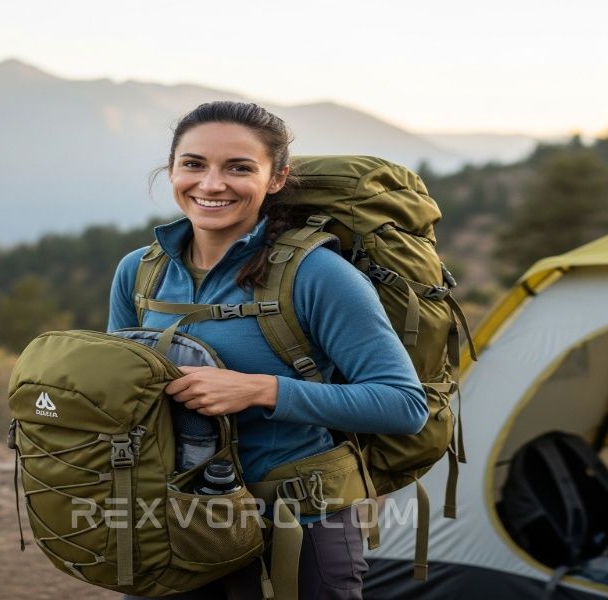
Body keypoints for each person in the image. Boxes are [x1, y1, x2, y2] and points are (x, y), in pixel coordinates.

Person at [107, 101, 427, 600]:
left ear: (276, 179)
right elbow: (120, 392)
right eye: (193, 164)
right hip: (168, 519)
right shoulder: (140, 272)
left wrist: (259, 390)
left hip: (295, 525)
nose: (211, 185)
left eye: (239, 167)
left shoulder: (318, 276)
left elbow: (404, 405)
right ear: (172, 169)